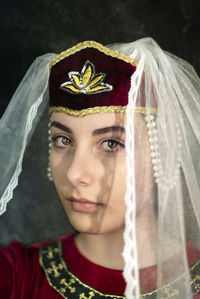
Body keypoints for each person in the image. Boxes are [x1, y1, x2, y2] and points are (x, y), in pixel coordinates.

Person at [0, 38, 200, 299]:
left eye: (110, 143)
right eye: (63, 140)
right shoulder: (16, 274)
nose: (75, 174)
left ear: (163, 151)